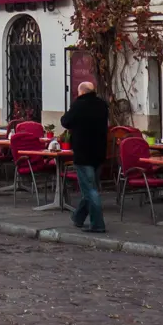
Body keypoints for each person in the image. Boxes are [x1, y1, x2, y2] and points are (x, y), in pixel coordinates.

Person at [60, 81, 110, 233]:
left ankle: (98, 224)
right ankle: (78, 218)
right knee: (91, 186)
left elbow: (65, 121)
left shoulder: (79, 105)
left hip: (83, 153)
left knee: (90, 190)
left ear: (81, 92)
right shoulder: (102, 105)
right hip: (99, 152)